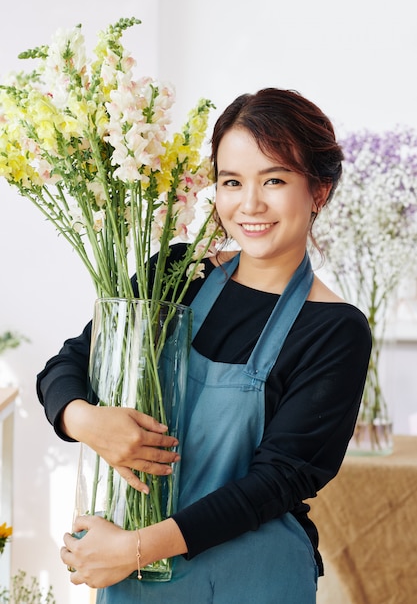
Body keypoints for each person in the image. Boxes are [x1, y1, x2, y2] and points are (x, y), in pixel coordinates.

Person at [37, 88, 372, 603]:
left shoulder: (334, 330)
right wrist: (84, 421)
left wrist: (134, 549)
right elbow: (69, 364)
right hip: (133, 571)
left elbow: (276, 481)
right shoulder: (177, 274)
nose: (250, 204)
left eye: (275, 180)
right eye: (231, 181)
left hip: (251, 575)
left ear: (319, 189)